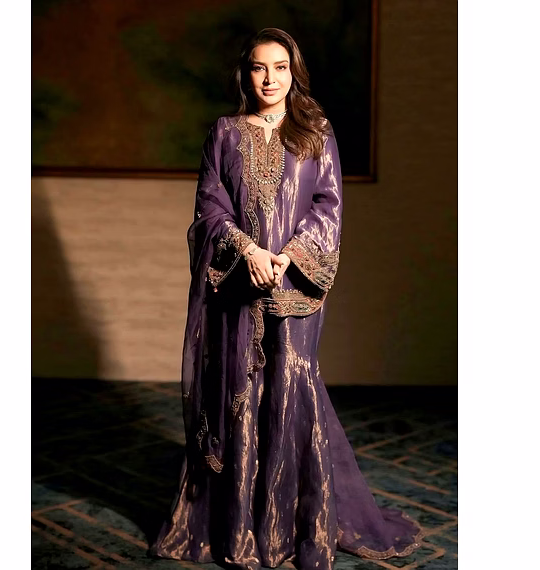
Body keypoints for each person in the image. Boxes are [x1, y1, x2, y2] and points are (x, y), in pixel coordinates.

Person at [151, 28, 424, 570]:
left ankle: (288, 528)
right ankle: (239, 529)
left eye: (279, 67)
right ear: (245, 74)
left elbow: (328, 206)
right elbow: (209, 207)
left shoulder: (315, 132)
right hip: (239, 283)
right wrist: (247, 250)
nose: (269, 78)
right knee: (239, 390)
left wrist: (289, 256)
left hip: (295, 285)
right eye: (259, 67)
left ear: (293, 72)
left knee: (289, 388)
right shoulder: (225, 133)